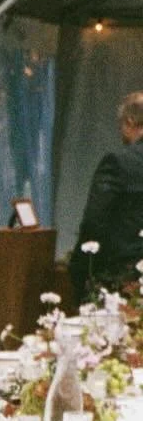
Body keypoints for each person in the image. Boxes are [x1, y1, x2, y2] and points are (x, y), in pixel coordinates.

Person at [70, 91, 143, 298]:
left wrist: (79, 269)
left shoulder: (117, 162)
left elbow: (94, 221)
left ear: (129, 122)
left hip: (121, 278)